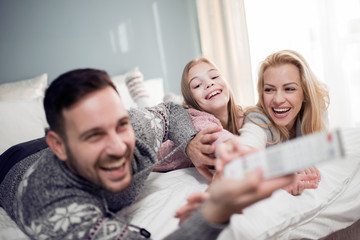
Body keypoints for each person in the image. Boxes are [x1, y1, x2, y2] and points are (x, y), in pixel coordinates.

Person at [0, 68, 295, 240]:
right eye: (95, 135)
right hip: (13, 162)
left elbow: (170, 111)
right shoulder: (54, 208)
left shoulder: (136, 129)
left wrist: (190, 142)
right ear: (59, 145)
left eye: (121, 125)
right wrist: (213, 214)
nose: (119, 148)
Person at [239, 49, 330, 195]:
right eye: (269, 89)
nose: (278, 99)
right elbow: (243, 162)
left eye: (289, 89)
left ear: (305, 93)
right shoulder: (258, 120)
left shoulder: (315, 109)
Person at [154, 57, 244, 180]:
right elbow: (217, 137)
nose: (209, 83)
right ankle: (169, 103)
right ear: (191, 101)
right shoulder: (197, 121)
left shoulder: (241, 114)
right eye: (197, 85)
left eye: (214, 77)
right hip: (158, 153)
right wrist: (231, 146)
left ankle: (173, 102)